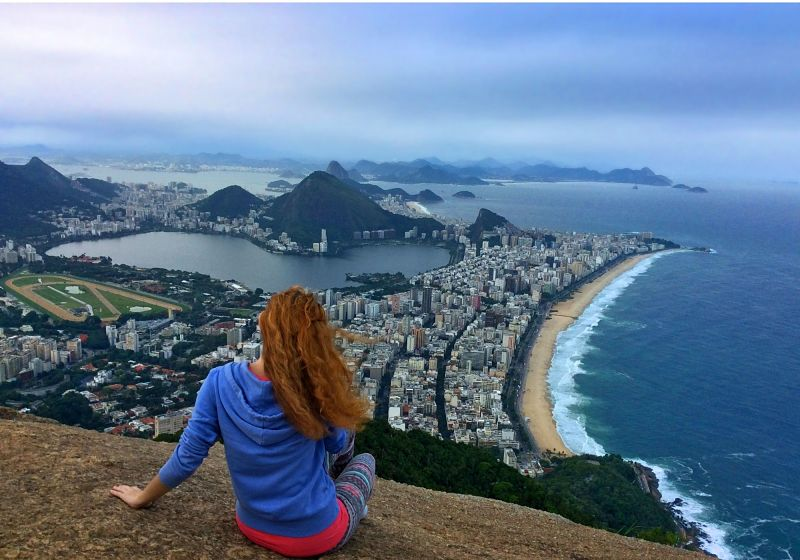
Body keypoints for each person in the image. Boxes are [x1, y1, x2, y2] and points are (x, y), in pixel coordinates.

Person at [110, 286, 375, 558]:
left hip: (252, 527)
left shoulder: (219, 381)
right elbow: (337, 443)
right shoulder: (315, 390)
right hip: (317, 536)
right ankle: (350, 507)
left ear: (262, 325)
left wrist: (143, 497)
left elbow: (187, 457)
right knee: (365, 460)